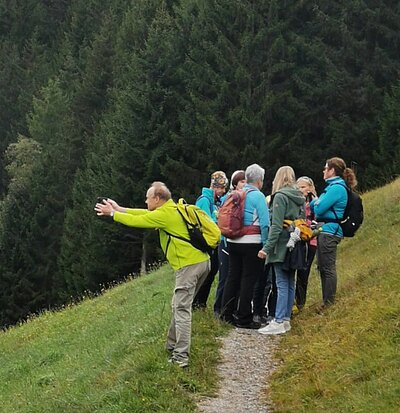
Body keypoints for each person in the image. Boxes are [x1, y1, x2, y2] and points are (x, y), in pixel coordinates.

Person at [94, 182, 210, 368]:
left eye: (148, 198)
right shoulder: (171, 209)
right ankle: (172, 346)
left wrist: (113, 214)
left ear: (157, 199)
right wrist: (119, 208)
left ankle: (181, 357)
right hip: (202, 262)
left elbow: (139, 221)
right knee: (179, 305)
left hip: (188, 266)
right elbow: (144, 214)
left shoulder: (165, 215)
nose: (145, 200)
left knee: (182, 310)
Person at [221, 164, 269, 329]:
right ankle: (244, 317)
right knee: (248, 279)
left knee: (232, 277)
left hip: (233, 241)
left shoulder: (236, 194)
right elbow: (265, 224)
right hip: (252, 243)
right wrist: (266, 245)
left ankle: (226, 313)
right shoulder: (258, 196)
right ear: (260, 180)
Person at [258, 166, 305, 335]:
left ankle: (278, 320)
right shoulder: (300, 197)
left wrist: (266, 248)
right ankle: (285, 319)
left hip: (281, 246)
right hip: (296, 243)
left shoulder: (280, 197)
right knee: (290, 281)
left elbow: (276, 226)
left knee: (281, 283)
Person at [310, 157, 357, 307]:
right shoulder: (332, 187)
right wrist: (316, 202)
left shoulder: (336, 188)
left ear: (332, 170)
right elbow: (315, 205)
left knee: (328, 268)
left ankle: (329, 303)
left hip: (330, 231)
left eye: (325, 168)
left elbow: (318, 208)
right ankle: (326, 301)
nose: (323, 171)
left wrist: (316, 202)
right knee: (323, 267)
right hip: (325, 230)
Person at [192, 171, 228, 309]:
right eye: (221, 188)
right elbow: (205, 222)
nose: (223, 191)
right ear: (214, 186)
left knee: (211, 272)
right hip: (206, 244)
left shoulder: (213, 201)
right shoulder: (204, 200)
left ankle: (201, 303)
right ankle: (197, 303)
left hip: (212, 244)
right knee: (208, 273)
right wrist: (219, 219)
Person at [214, 170, 246, 317]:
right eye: (242, 181)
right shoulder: (230, 198)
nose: (245, 184)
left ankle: (231, 308)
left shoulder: (244, 197)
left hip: (236, 242)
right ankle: (218, 309)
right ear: (235, 184)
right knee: (225, 276)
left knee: (234, 277)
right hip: (225, 241)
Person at [294, 176, 318, 311]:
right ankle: (292, 303)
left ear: (310, 188)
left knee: (304, 272)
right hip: (297, 240)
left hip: (311, 241)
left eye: (303, 187)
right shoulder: (295, 201)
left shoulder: (315, 202)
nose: (300, 189)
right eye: (298, 187)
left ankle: (300, 303)